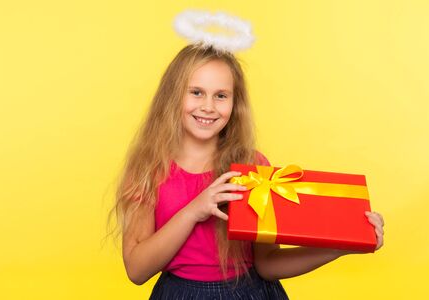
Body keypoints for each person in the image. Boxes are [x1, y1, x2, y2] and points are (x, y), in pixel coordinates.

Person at [107, 10, 385, 299]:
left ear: (234, 104)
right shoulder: (148, 170)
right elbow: (137, 270)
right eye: (196, 92)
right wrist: (194, 210)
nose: (208, 106)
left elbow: (267, 265)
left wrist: (344, 245)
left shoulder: (252, 169)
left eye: (221, 95)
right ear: (172, 96)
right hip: (181, 293)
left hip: (251, 292)